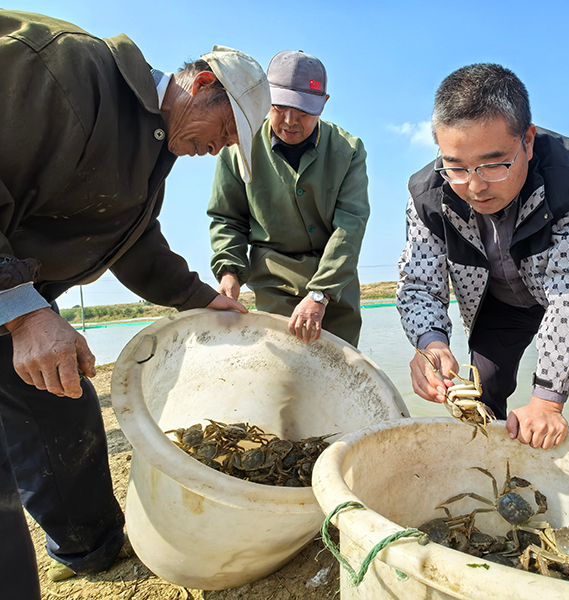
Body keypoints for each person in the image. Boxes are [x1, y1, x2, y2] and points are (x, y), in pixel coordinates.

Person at [0, 10, 271, 598]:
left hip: (17, 297)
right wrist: (22, 310)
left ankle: (90, 551)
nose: (219, 148)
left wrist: (202, 301)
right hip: (11, 294)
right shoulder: (69, 69)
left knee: (62, 400)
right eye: (226, 131)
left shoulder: (152, 152)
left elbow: (134, 243)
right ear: (200, 84)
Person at [398, 63, 569, 451]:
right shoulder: (427, 194)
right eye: (457, 167)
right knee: (481, 397)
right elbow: (419, 281)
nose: (475, 186)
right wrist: (430, 343)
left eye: (494, 164)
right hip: (498, 304)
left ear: (527, 141)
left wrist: (548, 400)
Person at [208, 50, 369, 347]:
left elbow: (350, 226)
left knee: (339, 376)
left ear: (324, 104)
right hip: (272, 281)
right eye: (279, 107)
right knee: (282, 380)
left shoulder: (349, 151)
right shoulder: (238, 146)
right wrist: (229, 270)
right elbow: (227, 218)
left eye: (304, 111)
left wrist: (321, 293)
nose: (290, 121)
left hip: (335, 287)